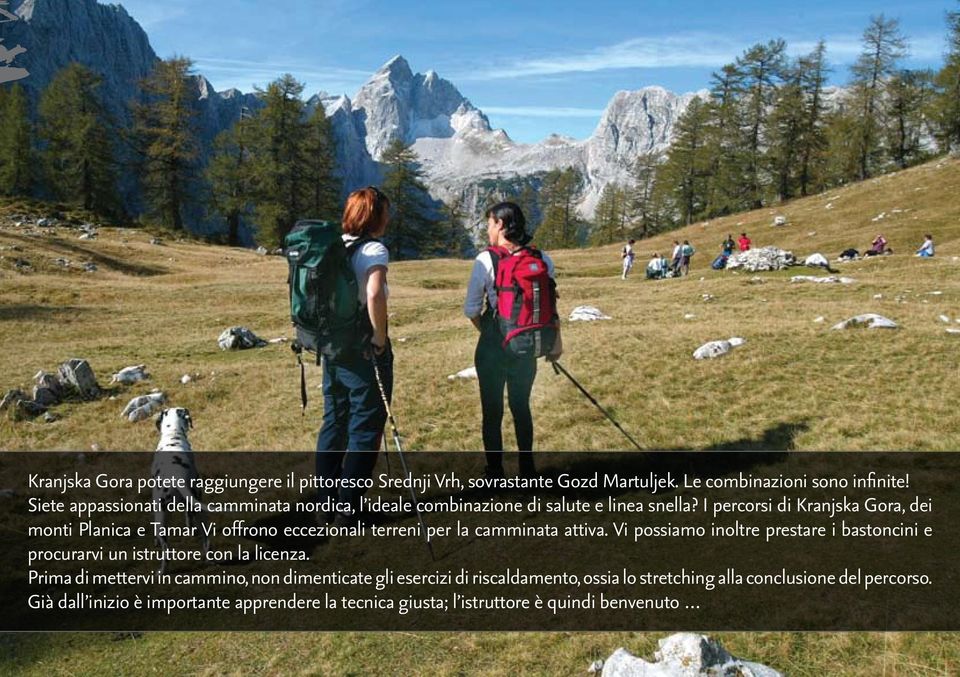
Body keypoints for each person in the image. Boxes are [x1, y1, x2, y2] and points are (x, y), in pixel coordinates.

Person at [464, 202, 562, 477]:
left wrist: (488, 330)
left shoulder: (486, 260)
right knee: (521, 407)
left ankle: (494, 472)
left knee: (492, 412)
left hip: (494, 345)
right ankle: (527, 469)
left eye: (490, 224)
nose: (487, 230)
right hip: (527, 344)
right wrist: (555, 341)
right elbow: (550, 305)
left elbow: (471, 309)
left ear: (501, 225)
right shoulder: (542, 258)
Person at [315, 186, 393, 526]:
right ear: (375, 215)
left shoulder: (334, 246)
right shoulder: (374, 248)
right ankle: (349, 509)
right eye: (386, 211)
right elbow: (374, 294)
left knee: (334, 420)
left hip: (332, 348)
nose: (389, 217)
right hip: (362, 350)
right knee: (365, 426)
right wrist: (379, 338)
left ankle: (325, 501)